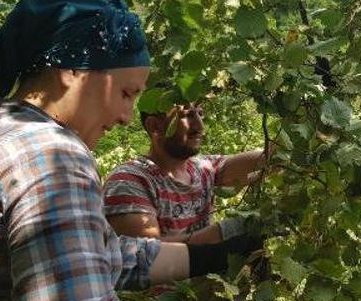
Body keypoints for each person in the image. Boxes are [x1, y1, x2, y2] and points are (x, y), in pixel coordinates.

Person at [0, 0, 197, 301]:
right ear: (70, 71)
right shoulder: (50, 155)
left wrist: (222, 248)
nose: (126, 116)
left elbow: (90, 256)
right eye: (126, 93)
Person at [102, 102, 270, 248]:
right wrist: (222, 233)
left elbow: (269, 160)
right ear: (154, 126)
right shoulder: (129, 181)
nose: (200, 126)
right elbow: (146, 257)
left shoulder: (203, 168)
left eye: (200, 113)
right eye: (187, 115)